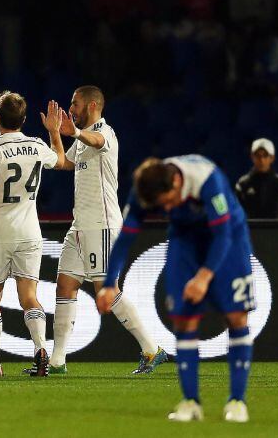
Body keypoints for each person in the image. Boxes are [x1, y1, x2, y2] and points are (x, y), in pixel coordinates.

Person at [98, 155, 255, 423]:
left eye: (169, 200)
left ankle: (237, 402)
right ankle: (191, 402)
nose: (167, 206)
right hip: (185, 241)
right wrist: (109, 283)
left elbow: (223, 235)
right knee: (183, 321)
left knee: (237, 317)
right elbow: (125, 238)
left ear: (177, 180)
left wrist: (204, 277)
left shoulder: (207, 180)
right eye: (162, 205)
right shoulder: (144, 190)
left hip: (228, 237)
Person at [47, 86, 166, 375]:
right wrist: (54, 133)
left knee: (106, 292)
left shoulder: (105, 133)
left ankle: (152, 349)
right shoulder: (81, 137)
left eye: (74, 103)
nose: (70, 108)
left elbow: (98, 141)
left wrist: (72, 132)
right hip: (80, 225)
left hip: (102, 223)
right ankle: (57, 361)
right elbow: (62, 162)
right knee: (65, 284)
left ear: (90, 106)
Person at [0, 93, 65, 377]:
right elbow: (59, 160)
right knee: (29, 296)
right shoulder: (36, 145)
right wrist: (54, 132)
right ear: (23, 120)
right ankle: (39, 349)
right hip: (29, 232)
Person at [235, 138, 278, 219]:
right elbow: (237, 216)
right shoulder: (242, 185)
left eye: (265, 155)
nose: (261, 160)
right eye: (257, 155)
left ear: (272, 158)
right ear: (252, 157)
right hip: (250, 231)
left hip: (276, 231)